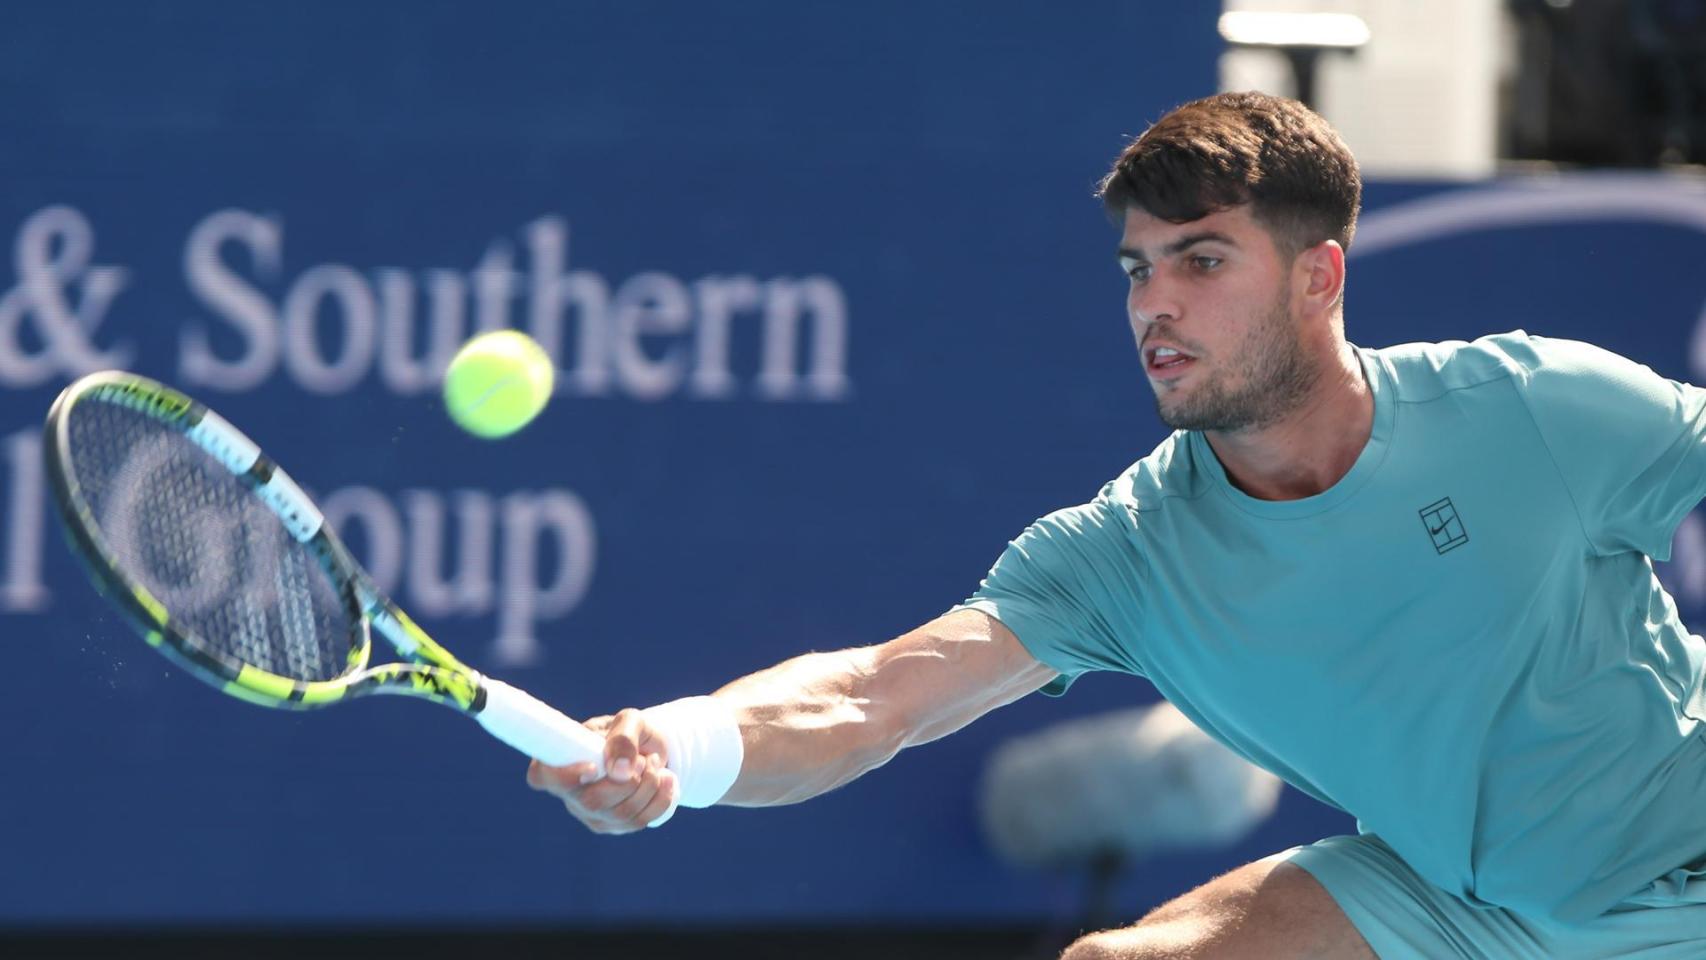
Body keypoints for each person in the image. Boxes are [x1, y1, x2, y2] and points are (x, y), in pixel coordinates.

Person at [525, 92, 1706, 959]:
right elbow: (868, 699)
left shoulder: (1526, 406)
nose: (1156, 305)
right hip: (1465, 899)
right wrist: (676, 748)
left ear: (1318, 276)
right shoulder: (1129, 553)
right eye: (1137, 269)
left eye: (1200, 260)